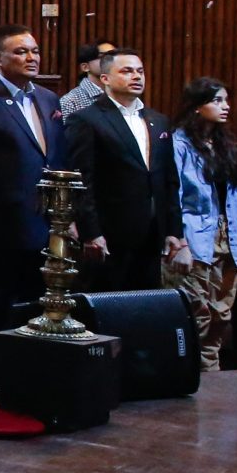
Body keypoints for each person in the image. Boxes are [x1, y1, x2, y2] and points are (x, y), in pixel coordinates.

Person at [0, 26, 66, 337]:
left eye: (35, 51)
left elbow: (57, 160)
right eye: (21, 52)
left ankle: (28, 365)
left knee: (37, 303)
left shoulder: (48, 98)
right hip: (2, 224)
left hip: (45, 222)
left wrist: (66, 216)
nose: (32, 58)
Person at [70, 47, 184, 292]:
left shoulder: (158, 120)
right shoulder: (87, 119)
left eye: (140, 71)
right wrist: (90, 232)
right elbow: (82, 182)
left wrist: (174, 230)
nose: (136, 76)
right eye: (127, 71)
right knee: (107, 301)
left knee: (145, 303)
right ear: (105, 78)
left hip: (151, 233)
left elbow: (169, 180)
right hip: (109, 234)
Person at [167, 79, 237, 371]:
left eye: (226, 100)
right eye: (217, 101)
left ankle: (210, 373)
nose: (225, 107)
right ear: (197, 106)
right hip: (195, 236)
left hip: (229, 236)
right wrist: (180, 242)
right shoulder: (179, 143)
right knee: (196, 311)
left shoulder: (224, 143)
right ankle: (193, 375)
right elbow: (173, 195)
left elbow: (235, 196)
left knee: (221, 314)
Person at [60, 40, 116, 118]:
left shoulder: (122, 95)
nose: (112, 62)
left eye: (114, 56)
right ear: (85, 67)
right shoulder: (70, 101)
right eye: (103, 57)